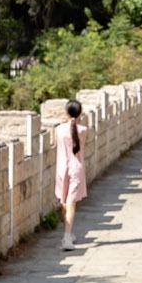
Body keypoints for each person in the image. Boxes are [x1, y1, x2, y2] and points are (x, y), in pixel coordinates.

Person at [55, 100, 88, 250]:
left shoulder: (59, 129)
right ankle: (67, 237)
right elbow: (82, 151)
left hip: (61, 169)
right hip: (76, 168)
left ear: (66, 113)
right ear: (80, 113)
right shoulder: (83, 130)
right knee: (71, 202)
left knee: (64, 201)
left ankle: (67, 234)